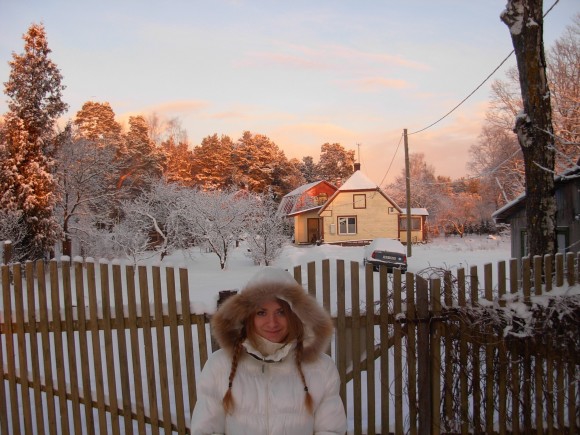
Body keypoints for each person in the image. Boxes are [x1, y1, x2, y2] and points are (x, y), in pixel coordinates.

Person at [190, 267, 347, 435]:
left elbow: (331, 430)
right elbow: (205, 430)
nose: (272, 323)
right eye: (261, 312)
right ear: (248, 317)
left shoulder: (321, 367)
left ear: (295, 315)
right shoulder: (219, 366)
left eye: (281, 312)